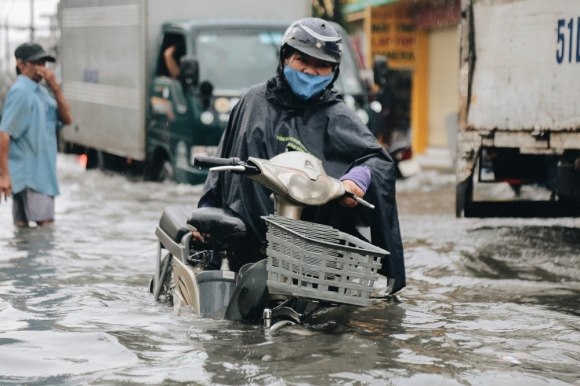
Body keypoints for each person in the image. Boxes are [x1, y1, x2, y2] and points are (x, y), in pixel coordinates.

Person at [198, 18, 406, 294]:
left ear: (333, 72)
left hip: (314, 254)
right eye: (302, 61)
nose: (310, 71)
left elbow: (377, 161)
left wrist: (358, 177)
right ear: (285, 58)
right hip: (247, 246)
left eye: (321, 66)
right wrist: (207, 210)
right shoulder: (252, 103)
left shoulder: (339, 116)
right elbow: (223, 163)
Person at [0, 42, 73, 227]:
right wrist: (4, 176)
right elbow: (4, 133)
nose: (41, 69)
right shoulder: (21, 92)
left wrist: (55, 86)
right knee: (45, 233)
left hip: (39, 176)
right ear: (20, 64)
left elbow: (67, 119)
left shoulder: (41, 91)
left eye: (43, 63)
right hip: (31, 178)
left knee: (25, 235)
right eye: (36, 63)